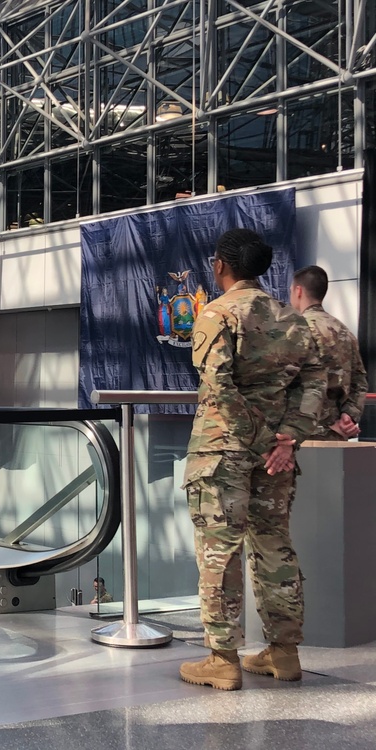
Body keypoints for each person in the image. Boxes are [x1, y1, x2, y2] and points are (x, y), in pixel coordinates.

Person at [179, 228, 324, 691]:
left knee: (220, 552)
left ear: (220, 265)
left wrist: (260, 439)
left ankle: (223, 659)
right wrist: (287, 440)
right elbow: (314, 384)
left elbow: (219, 389)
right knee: (274, 545)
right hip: (275, 457)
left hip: (223, 452)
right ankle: (284, 653)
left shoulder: (217, 314)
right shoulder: (293, 319)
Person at [289, 265, 367, 441]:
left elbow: (285, 381)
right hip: (337, 432)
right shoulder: (344, 331)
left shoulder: (295, 329)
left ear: (298, 291)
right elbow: (359, 380)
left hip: (299, 434)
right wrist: (348, 416)